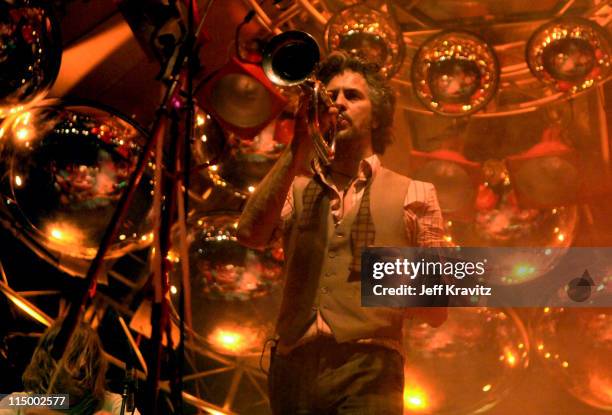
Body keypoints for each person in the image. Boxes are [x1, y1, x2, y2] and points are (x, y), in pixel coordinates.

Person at [237, 51, 448, 414]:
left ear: (378, 115)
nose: (338, 104)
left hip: (371, 367)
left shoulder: (416, 192)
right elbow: (250, 233)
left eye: (352, 95)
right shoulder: (298, 186)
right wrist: (298, 145)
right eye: (331, 96)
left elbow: (436, 306)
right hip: (292, 365)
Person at [0, 319, 139, 415]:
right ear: (46, 360)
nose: (78, 367)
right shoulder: (18, 402)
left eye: (80, 360)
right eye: (70, 358)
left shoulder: (114, 405)